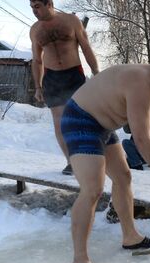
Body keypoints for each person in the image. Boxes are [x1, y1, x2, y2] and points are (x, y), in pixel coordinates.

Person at [61, 47, 150, 263]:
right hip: (80, 119)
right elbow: (141, 139)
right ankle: (80, 262)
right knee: (93, 188)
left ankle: (130, 236)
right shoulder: (139, 81)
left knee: (123, 178)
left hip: (103, 125)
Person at [29, 0, 99, 175]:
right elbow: (37, 60)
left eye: (37, 6)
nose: (34, 11)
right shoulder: (35, 30)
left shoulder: (71, 21)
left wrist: (96, 71)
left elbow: (86, 47)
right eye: (32, 7)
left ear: (49, 4)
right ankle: (71, 162)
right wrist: (37, 86)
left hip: (73, 75)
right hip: (52, 78)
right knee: (60, 123)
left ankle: (89, 157)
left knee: (83, 118)